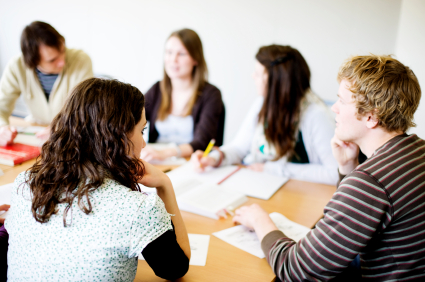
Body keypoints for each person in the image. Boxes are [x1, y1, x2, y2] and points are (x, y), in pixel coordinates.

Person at [233, 55, 424, 281]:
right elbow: (364, 213)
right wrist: (347, 167)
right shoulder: (416, 150)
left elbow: (296, 270)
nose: (334, 108)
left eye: (342, 101)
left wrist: (260, 222)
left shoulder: (371, 182)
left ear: (371, 117)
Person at [5, 78, 190, 281]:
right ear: (119, 137)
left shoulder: (26, 184)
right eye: (141, 131)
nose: (143, 143)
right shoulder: (138, 209)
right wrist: (165, 185)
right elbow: (176, 268)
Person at [192, 45, 338, 185]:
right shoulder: (262, 104)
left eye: (258, 73)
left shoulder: (316, 115)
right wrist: (215, 158)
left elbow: (334, 173)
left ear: (276, 81)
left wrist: (273, 169)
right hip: (261, 183)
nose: (253, 76)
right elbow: (240, 148)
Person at [0, 21, 93, 146]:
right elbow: (1, 105)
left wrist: (60, 128)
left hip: (71, 133)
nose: (62, 62)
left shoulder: (81, 60)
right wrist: (2, 128)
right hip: (36, 130)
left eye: (62, 51)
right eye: (52, 60)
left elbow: (85, 110)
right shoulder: (16, 66)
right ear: (33, 61)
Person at [141, 28, 224, 162]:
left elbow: (203, 142)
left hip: (191, 162)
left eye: (181, 54)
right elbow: (131, 118)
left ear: (196, 59)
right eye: (169, 52)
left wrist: (166, 153)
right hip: (156, 161)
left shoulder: (211, 94)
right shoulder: (157, 89)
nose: (173, 60)